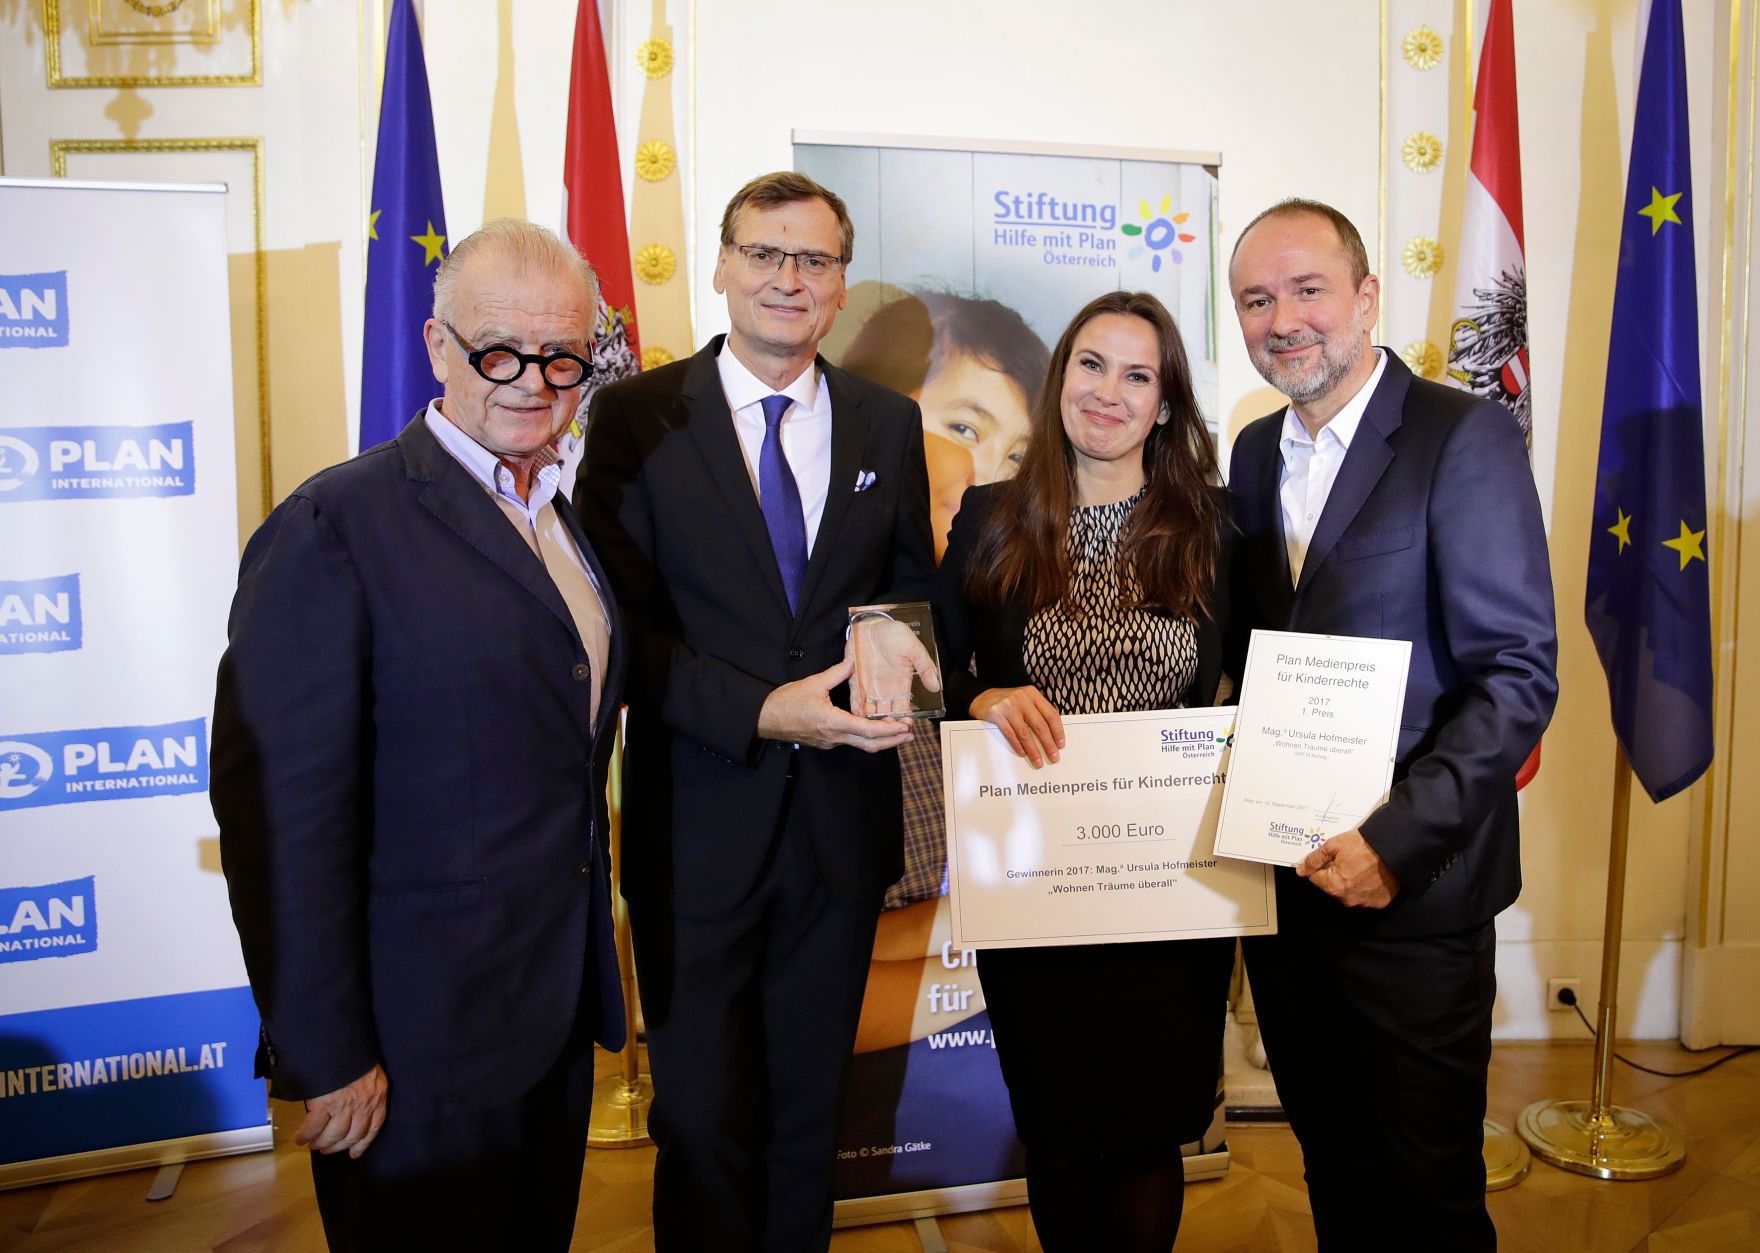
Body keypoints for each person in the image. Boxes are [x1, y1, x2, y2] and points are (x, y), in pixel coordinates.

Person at [210, 219, 626, 1253]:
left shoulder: (562, 516)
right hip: (410, 1043)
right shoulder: (332, 527)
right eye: (499, 351)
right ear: (438, 346)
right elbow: (279, 819)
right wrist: (325, 1048)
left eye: (561, 356)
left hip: (546, 1020)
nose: (531, 381)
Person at [575, 170, 934, 1252]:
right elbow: (618, 629)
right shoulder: (635, 416)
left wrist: (896, 632)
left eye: (813, 259)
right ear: (723, 267)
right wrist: (764, 710)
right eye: (765, 254)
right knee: (699, 1120)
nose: (788, 277)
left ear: (840, 285)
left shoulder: (887, 423)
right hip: (696, 829)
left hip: (838, 829)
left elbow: (910, 591)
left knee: (807, 1118)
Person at [1225, 198, 1557, 1251]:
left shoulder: (1461, 437)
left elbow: (1516, 673)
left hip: (1410, 898)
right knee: (1333, 1166)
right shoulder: (1250, 454)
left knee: (1425, 1198)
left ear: (1366, 298)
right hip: (1287, 893)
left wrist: (1393, 844)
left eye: (1307, 290)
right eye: (1256, 299)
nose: (1283, 320)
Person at [934, 290, 1234, 1252]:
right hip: (1037, 886)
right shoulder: (991, 517)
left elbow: (1263, 677)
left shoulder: (1217, 527)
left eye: (1137, 375)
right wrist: (980, 697)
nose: (1109, 392)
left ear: (1166, 402)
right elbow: (928, 667)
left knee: (1150, 1133)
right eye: (1092, 365)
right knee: (1058, 1132)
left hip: (1171, 885)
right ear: (1061, 375)